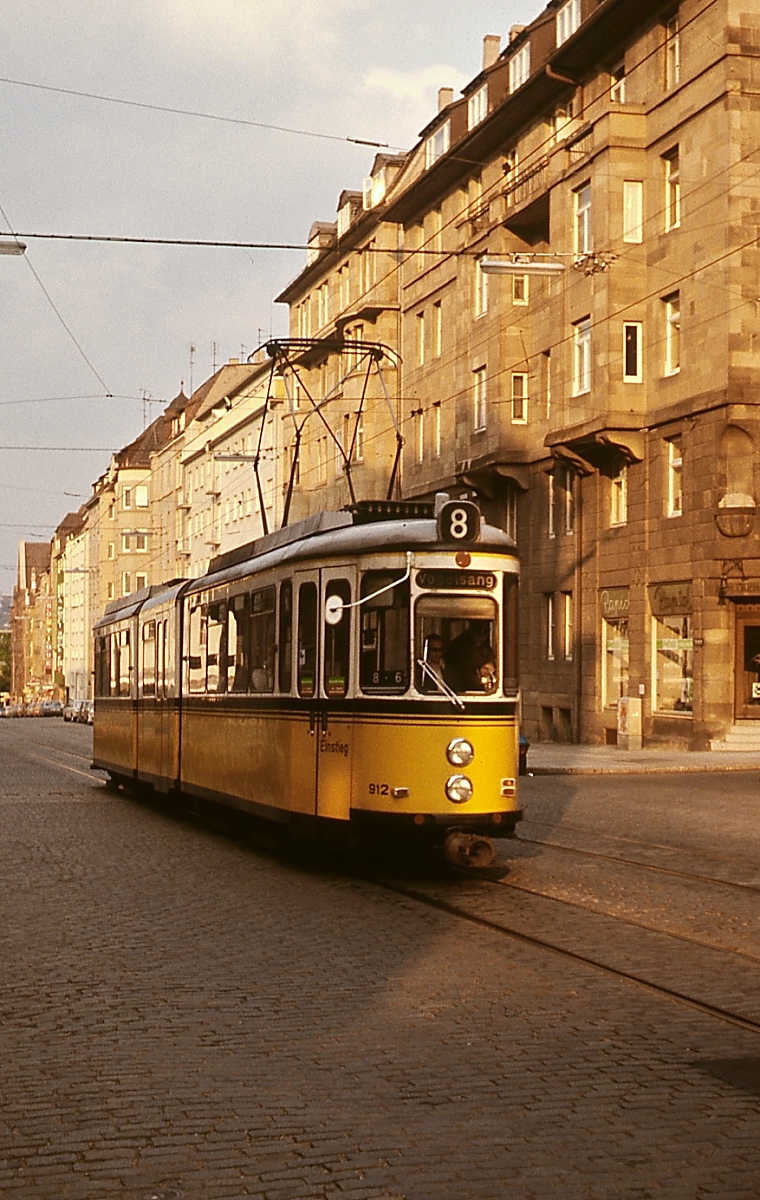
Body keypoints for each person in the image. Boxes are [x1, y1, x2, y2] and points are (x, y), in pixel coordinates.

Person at [444, 620, 497, 693]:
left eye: (485, 631)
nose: (482, 636)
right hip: (463, 693)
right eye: (478, 630)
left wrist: (491, 665)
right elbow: (464, 675)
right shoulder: (458, 647)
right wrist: (480, 676)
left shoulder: (486, 648)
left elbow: (491, 661)